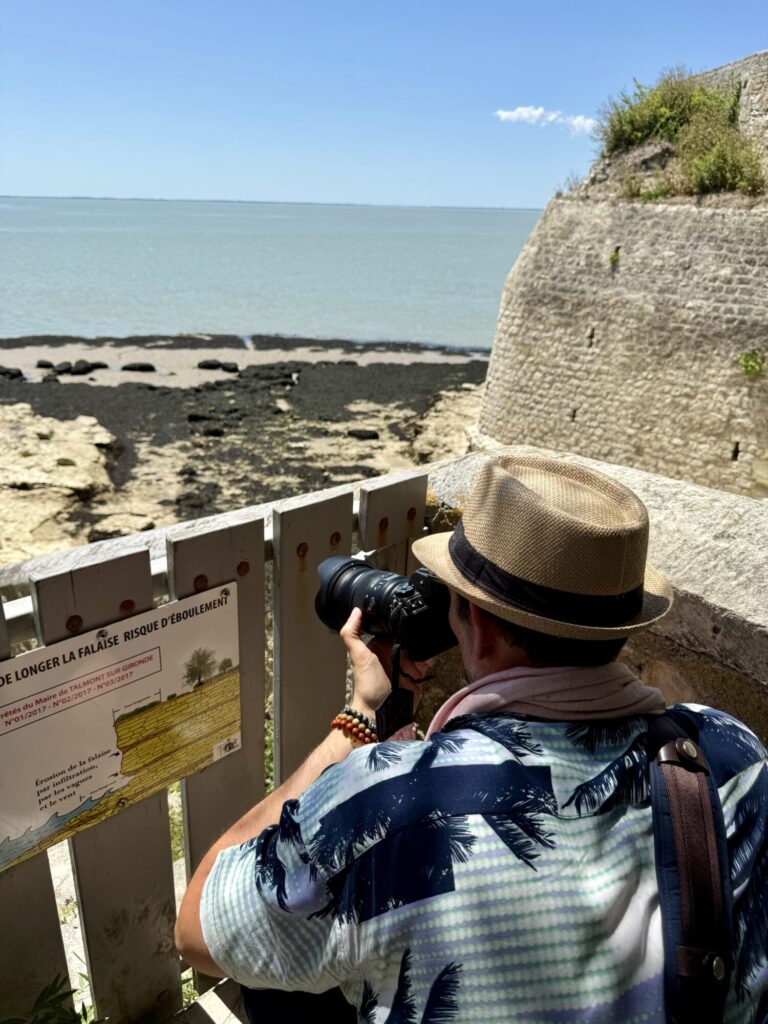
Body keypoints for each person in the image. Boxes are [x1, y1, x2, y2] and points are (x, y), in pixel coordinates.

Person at [176, 454, 768, 1023]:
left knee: (285, 964)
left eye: (453, 600)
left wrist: (359, 718)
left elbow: (196, 929)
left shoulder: (389, 802)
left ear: (479, 627)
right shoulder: (728, 755)